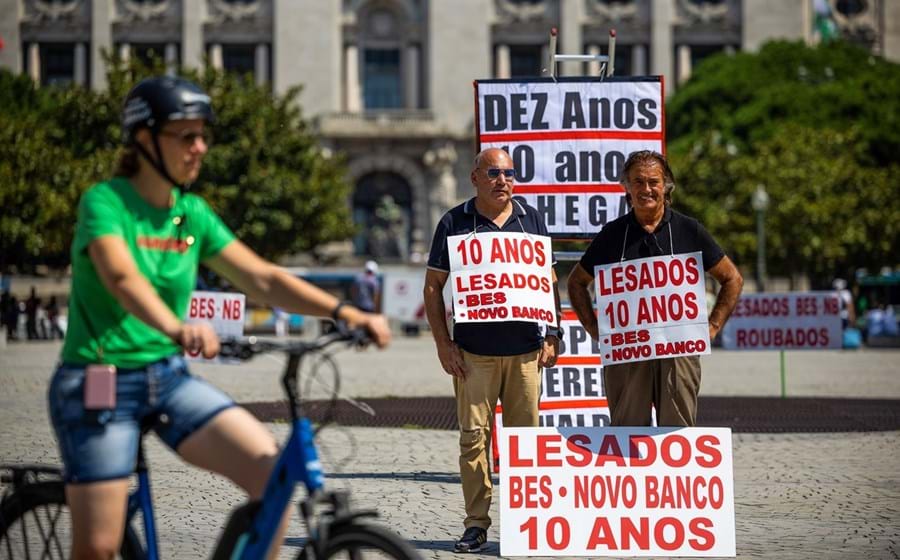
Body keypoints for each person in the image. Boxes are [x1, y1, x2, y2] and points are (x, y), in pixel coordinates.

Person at [48, 75, 391, 559]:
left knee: (271, 473)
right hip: (97, 384)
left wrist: (344, 311)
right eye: (186, 136)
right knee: (100, 547)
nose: (200, 147)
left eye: (203, 135)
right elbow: (122, 279)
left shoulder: (192, 214)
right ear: (145, 141)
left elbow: (263, 278)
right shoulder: (105, 203)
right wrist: (175, 327)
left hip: (166, 378)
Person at [423, 147, 562, 553]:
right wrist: (443, 344)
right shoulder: (454, 221)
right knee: (473, 440)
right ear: (475, 178)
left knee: (526, 442)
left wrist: (553, 333)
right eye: (494, 173)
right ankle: (476, 524)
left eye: (509, 173)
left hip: (524, 353)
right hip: (473, 354)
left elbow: (547, 279)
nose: (503, 180)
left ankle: (526, 524)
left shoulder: (531, 218)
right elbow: (433, 287)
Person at [567, 150, 743, 427]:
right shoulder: (612, 234)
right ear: (626, 187)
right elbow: (576, 283)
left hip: (678, 352)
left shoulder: (689, 230)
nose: (646, 189)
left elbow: (732, 279)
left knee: (677, 432)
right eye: (638, 182)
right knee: (627, 430)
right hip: (627, 353)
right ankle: (629, 473)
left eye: (653, 182)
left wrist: (713, 327)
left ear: (666, 186)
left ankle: (678, 474)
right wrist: (595, 330)